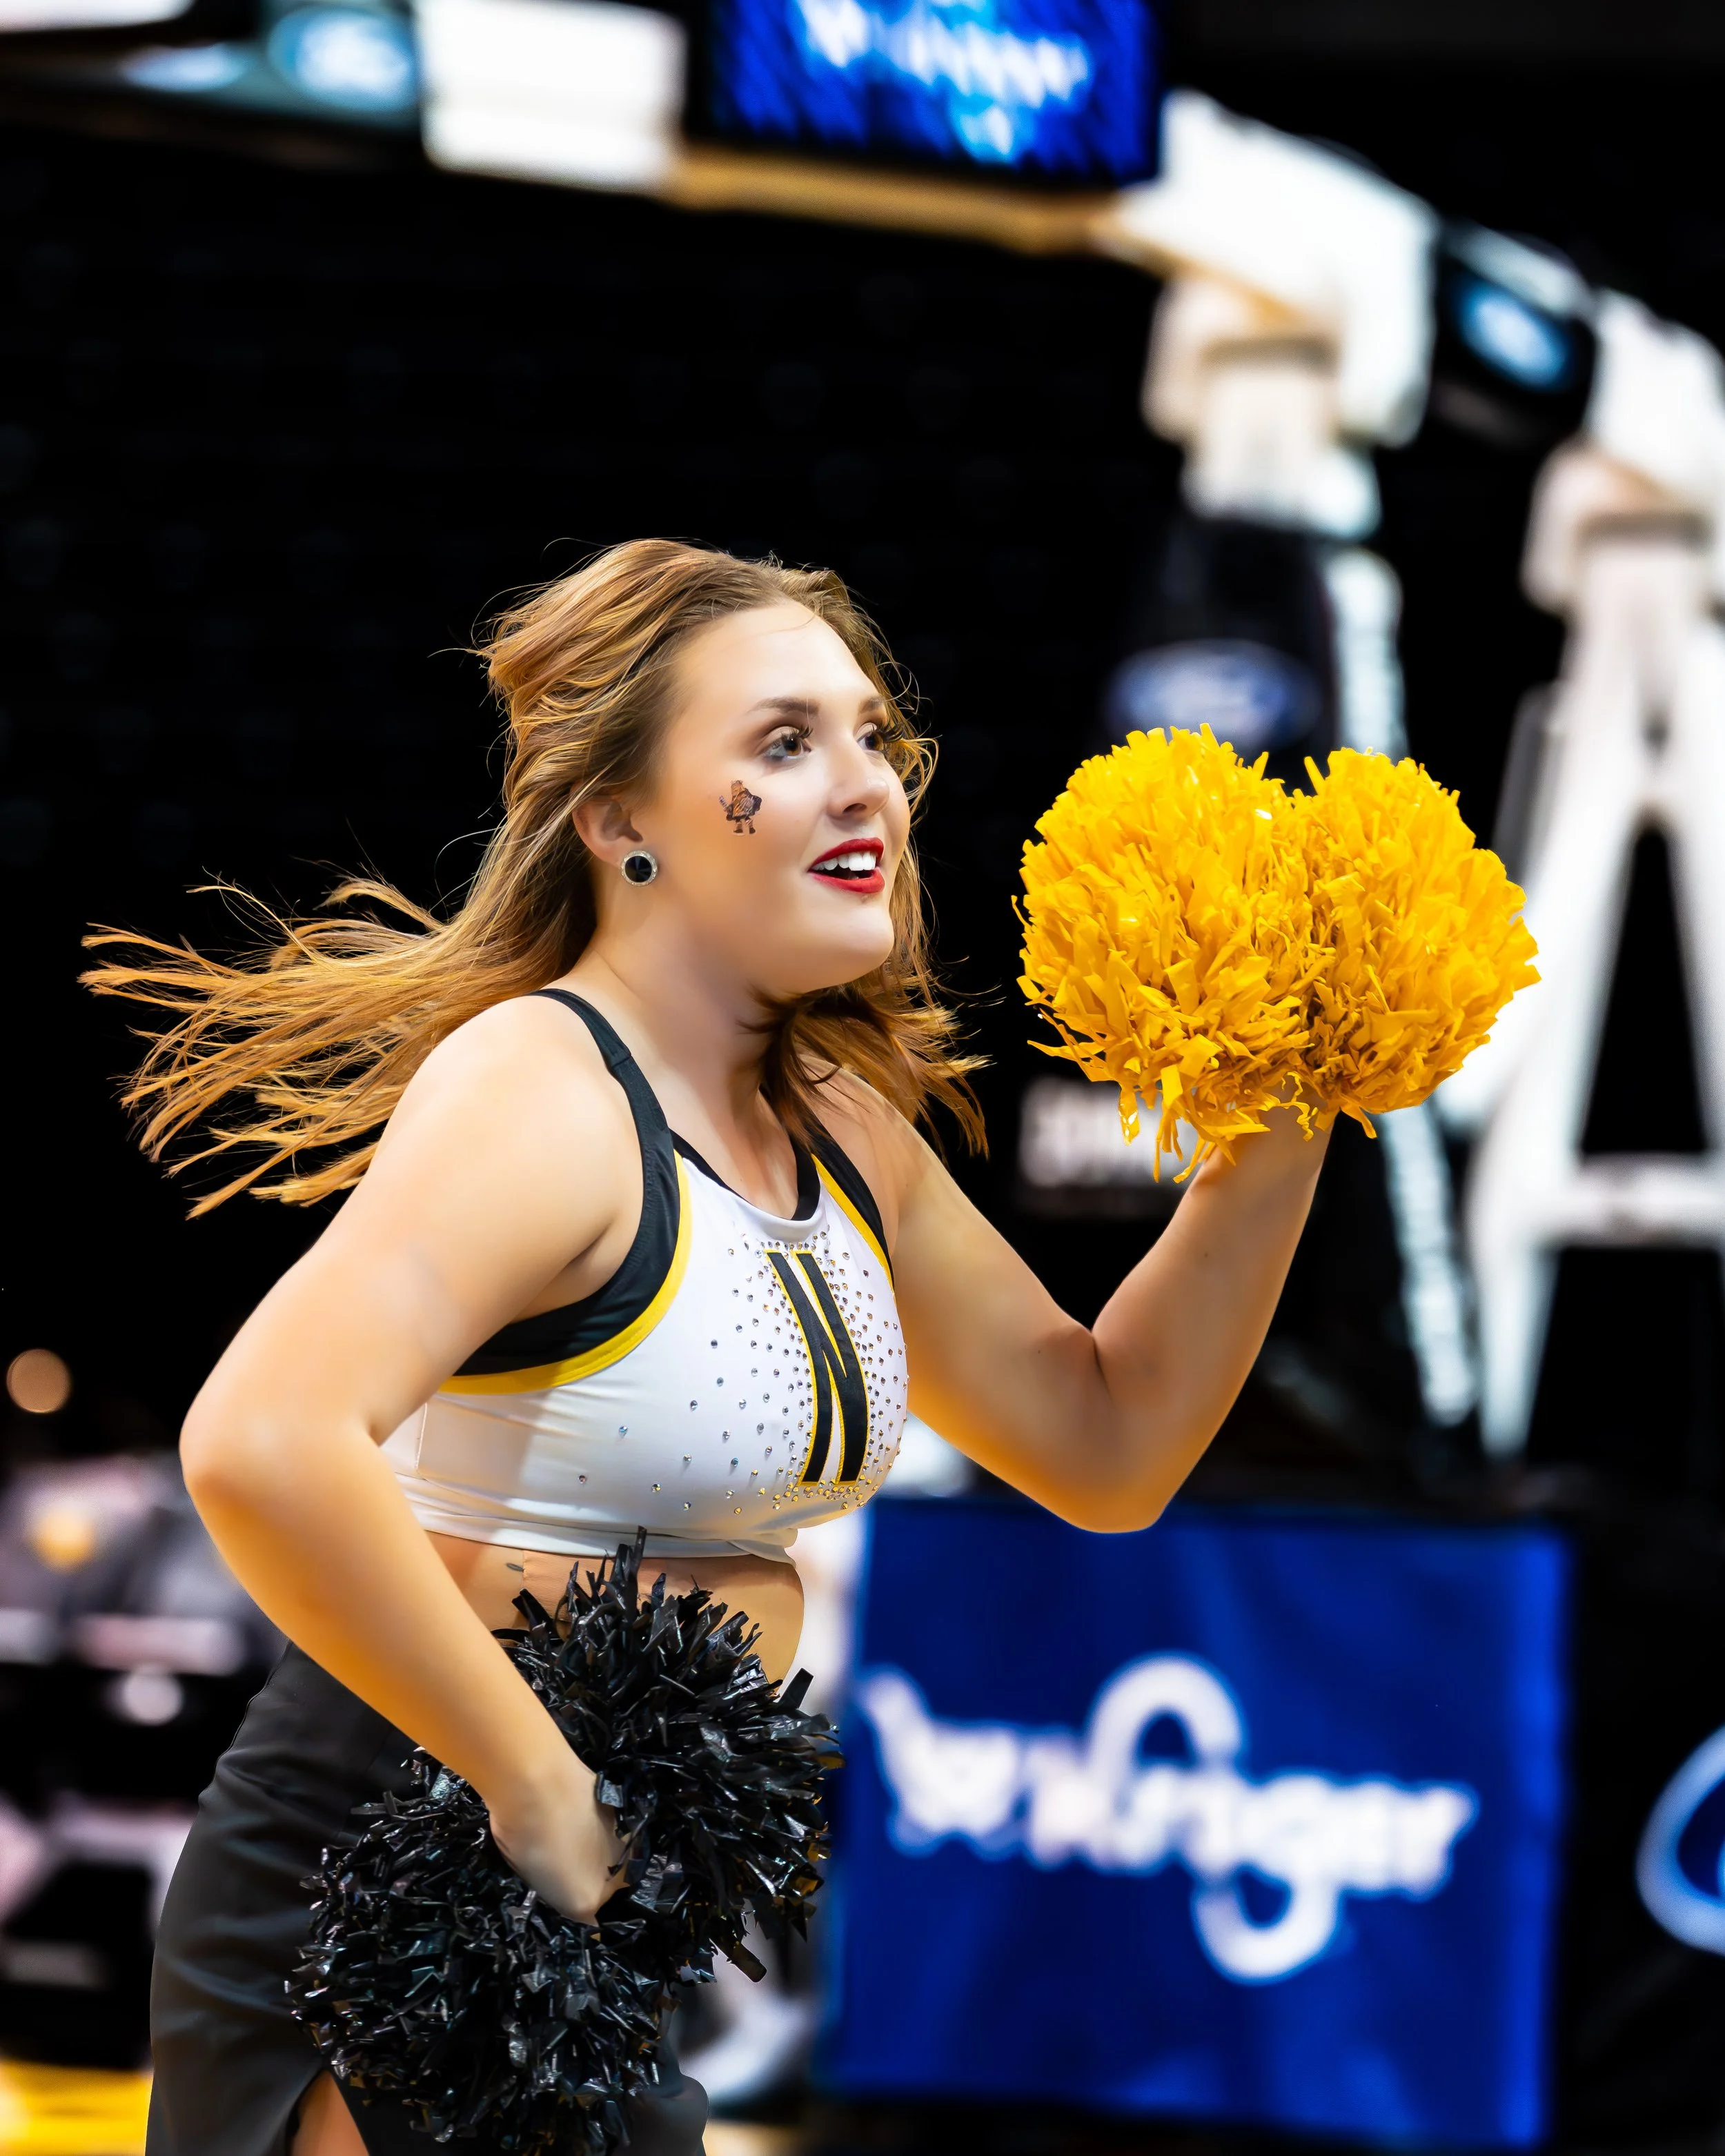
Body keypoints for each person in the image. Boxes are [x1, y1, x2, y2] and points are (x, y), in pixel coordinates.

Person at [86, 540, 1331, 2156]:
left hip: (598, 1895)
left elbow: (1105, 1444)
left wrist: (1288, 1119)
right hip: (398, 1860)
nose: (864, 784)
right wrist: (537, 1795)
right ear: (618, 821)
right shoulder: (543, 1084)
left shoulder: (842, 1127)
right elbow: (260, 1441)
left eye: (875, 737)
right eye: (783, 742)